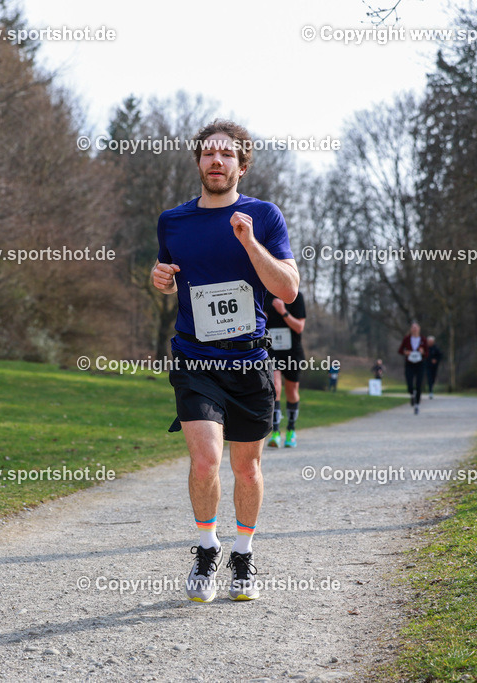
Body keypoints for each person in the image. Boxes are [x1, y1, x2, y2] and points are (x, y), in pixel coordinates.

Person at [151, 119, 299, 603]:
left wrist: (249, 242)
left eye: (227, 155)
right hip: (195, 357)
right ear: (198, 161)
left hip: (248, 361)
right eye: (209, 154)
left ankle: (243, 554)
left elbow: (287, 289)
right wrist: (160, 279)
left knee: (248, 468)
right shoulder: (173, 221)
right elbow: (171, 281)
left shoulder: (264, 215)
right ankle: (206, 547)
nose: (217, 161)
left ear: (241, 163)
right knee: (205, 460)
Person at [265, 291, 306, 448]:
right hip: (271, 349)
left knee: (292, 391)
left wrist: (284, 311)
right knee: (275, 387)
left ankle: (291, 430)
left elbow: (299, 327)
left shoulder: (296, 296)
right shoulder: (264, 295)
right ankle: (275, 432)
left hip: (292, 351)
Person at [397, 323, 428, 414]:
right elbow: (400, 350)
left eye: (416, 327)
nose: (414, 329)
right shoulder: (407, 339)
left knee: (419, 385)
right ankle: (412, 394)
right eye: (413, 327)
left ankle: (417, 404)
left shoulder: (423, 339)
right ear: (411, 329)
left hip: (420, 364)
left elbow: (427, 354)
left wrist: (422, 353)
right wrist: (405, 352)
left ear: (419, 329)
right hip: (409, 364)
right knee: (409, 384)